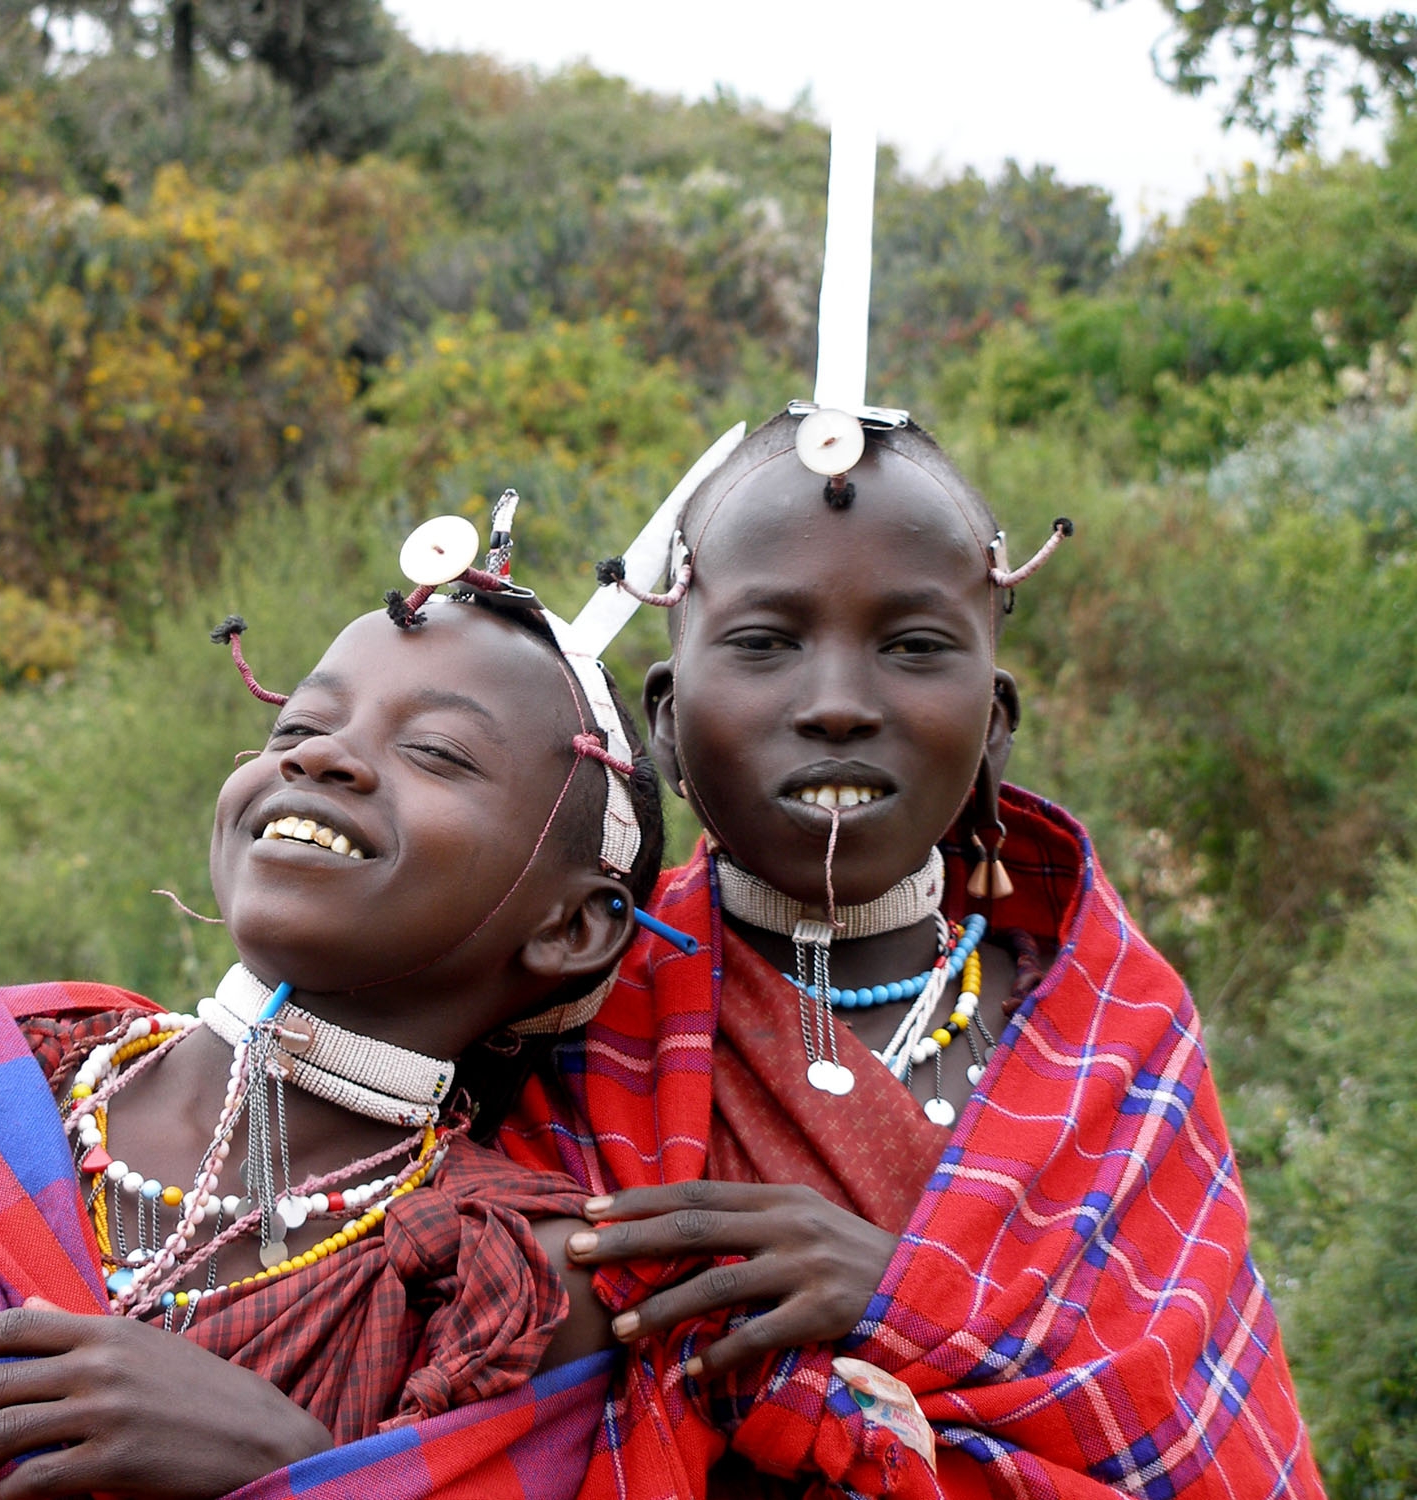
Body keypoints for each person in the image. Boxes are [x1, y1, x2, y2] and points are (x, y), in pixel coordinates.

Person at [0, 530, 677, 1500]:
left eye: (432, 752)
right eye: (294, 730)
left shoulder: (503, 1284)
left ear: (571, 929)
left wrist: (284, 1464)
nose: (324, 757)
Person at [501, 412, 1325, 1498]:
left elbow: (1204, 1446)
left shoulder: (1114, 1030)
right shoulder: (567, 1008)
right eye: (762, 642)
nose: (837, 703)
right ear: (663, 721)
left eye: (912, 647)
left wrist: (910, 1294)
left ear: (992, 726)